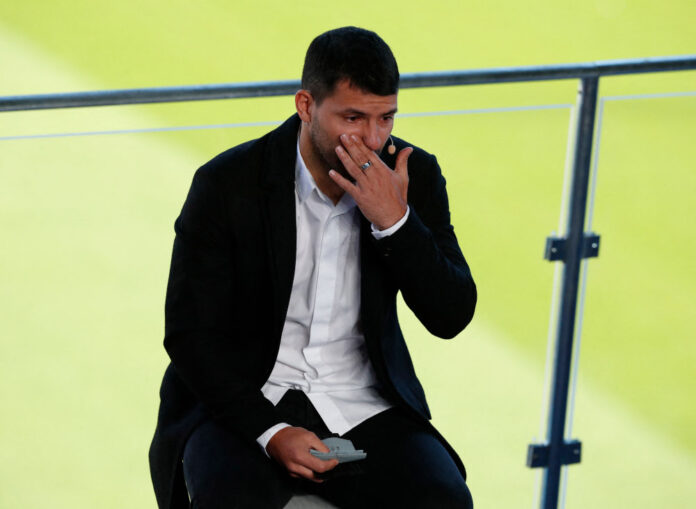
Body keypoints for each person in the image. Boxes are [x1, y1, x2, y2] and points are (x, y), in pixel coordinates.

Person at [149, 26, 477, 509]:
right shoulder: (227, 183)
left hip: (363, 401)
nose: (373, 139)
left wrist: (395, 223)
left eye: (386, 117)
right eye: (353, 118)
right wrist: (270, 431)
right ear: (306, 106)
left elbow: (451, 316)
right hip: (243, 402)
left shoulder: (411, 175)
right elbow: (188, 335)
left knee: (445, 500)